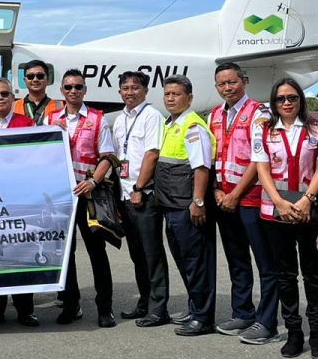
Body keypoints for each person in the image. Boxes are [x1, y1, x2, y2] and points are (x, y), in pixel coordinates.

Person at [251, 79, 318, 359]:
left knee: (313, 274)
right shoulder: (263, 130)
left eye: (292, 98)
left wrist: (307, 199)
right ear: (273, 102)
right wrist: (280, 202)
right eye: (281, 98)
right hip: (276, 211)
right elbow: (262, 170)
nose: (287, 103)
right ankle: (294, 332)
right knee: (285, 275)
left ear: (301, 100)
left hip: (307, 209)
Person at [208, 61, 279, 344]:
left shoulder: (259, 114)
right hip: (223, 199)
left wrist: (235, 194)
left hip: (250, 198)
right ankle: (243, 312)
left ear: (244, 82)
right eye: (222, 84)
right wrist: (216, 190)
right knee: (237, 260)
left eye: (232, 82)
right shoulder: (214, 115)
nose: (227, 88)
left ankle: (267, 320)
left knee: (266, 263)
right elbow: (212, 156)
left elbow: (257, 159)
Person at [51, 69, 116, 327]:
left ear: (85, 90)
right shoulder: (51, 118)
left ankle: (105, 308)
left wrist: (92, 182)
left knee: (97, 252)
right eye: (68, 87)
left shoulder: (98, 119)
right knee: (67, 254)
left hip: (89, 195)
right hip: (62, 196)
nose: (73, 91)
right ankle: (71, 304)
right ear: (62, 91)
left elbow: (108, 157)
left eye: (78, 87)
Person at [154, 75, 216, 337]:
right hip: (171, 204)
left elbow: (201, 167)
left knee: (195, 262)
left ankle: (203, 317)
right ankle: (195, 308)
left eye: (176, 94)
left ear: (189, 98)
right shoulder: (171, 124)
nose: (171, 98)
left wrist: (198, 202)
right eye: (167, 94)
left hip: (186, 206)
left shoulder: (193, 126)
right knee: (184, 259)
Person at [0, 78, 38, 327]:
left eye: (5, 94)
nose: (1, 98)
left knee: (23, 253)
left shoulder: (27, 123)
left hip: (20, 199)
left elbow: (34, 157)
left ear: (13, 98)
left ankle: (26, 310)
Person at [111, 70, 170, 326]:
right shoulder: (119, 119)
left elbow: (152, 154)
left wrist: (138, 187)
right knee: (137, 254)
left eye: (135, 88)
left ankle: (159, 309)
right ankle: (144, 302)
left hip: (143, 196)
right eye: (125, 88)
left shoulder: (152, 116)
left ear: (145, 91)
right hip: (125, 195)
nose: (129, 92)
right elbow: (117, 159)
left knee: (152, 253)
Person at [14, 59, 61, 125]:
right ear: (25, 80)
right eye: (30, 76)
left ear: (47, 79)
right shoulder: (13, 107)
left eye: (40, 76)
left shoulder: (60, 106)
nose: (35, 79)